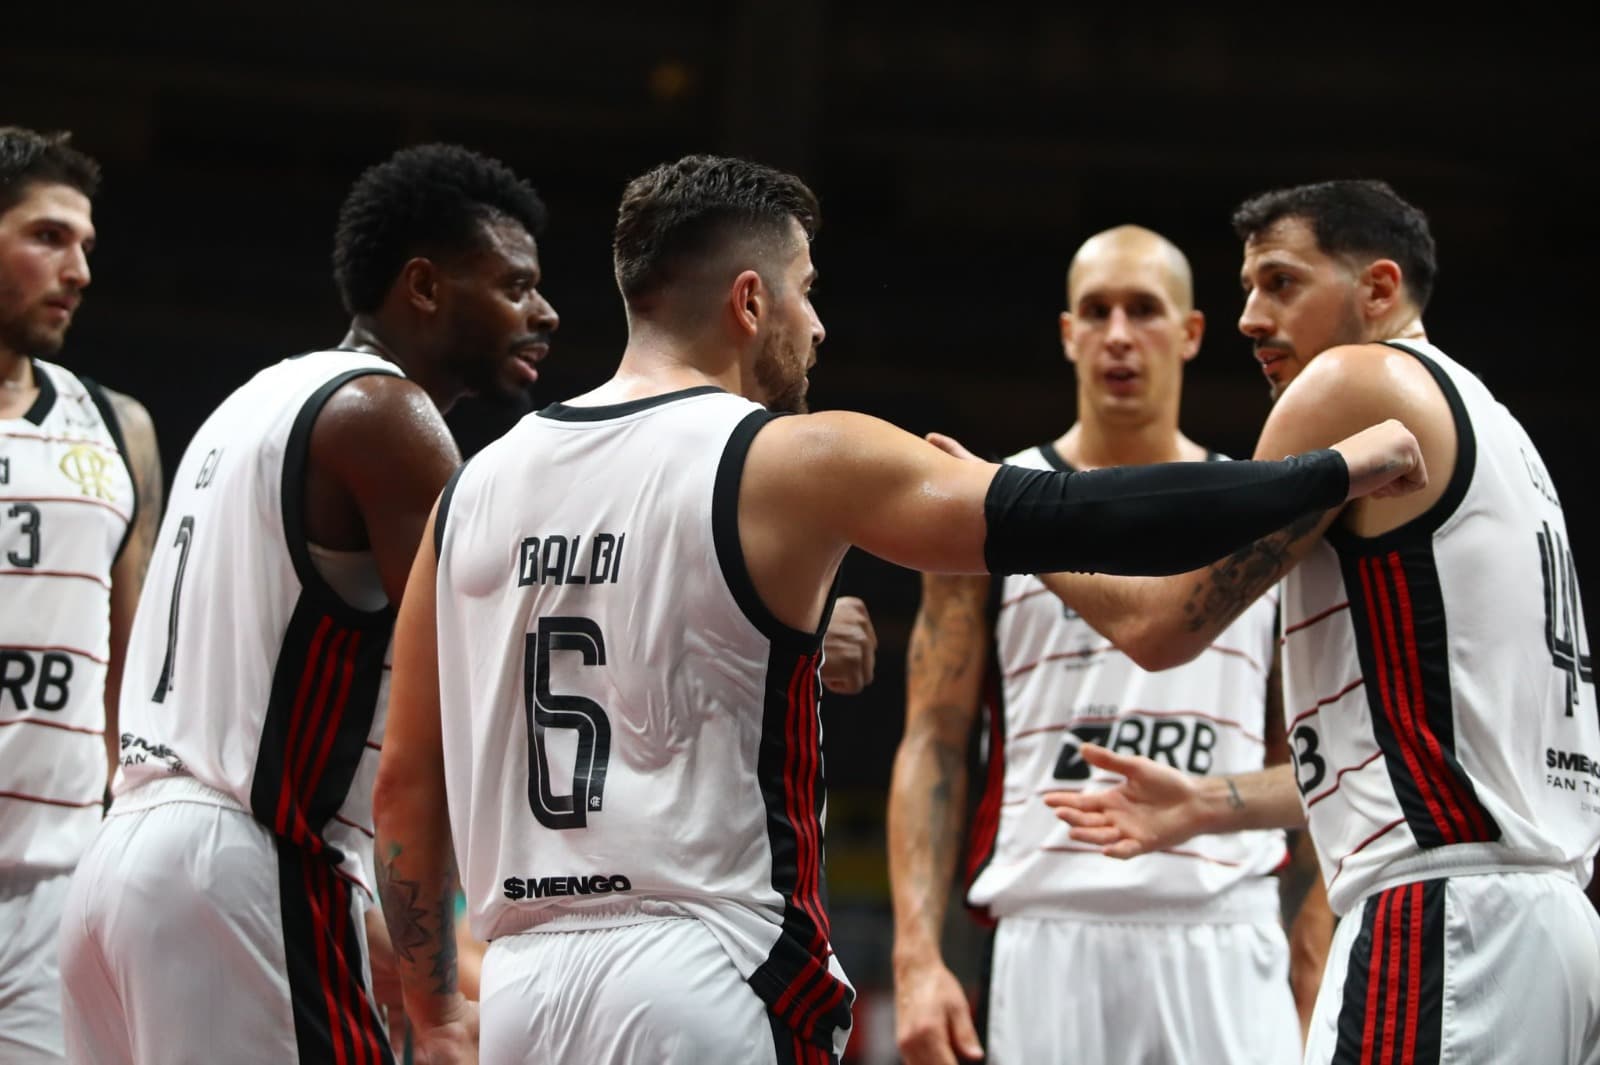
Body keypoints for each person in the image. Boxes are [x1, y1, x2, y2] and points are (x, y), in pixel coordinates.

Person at [370, 154, 1425, 1065]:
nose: (819, 322)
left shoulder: (476, 487)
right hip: (703, 971)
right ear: (750, 302)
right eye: (806, 291)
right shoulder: (784, 454)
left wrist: (435, 1008)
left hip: (523, 981)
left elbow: (407, 782)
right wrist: (1328, 469)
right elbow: (1080, 512)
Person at [1033, 180, 1600, 1063]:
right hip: (1549, 930)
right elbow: (1431, 750)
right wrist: (1207, 802)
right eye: (1248, 288)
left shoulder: (1351, 379)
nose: (1250, 318)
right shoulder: (1501, 430)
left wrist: (1003, 515)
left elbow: (1163, 622)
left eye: (1282, 283)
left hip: (1444, 923)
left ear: (1378, 288)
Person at [54, 142, 561, 1065]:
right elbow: (474, 699)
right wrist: (442, 996)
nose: (544, 311)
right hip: (241, 865)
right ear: (423, 286)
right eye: (515, 285)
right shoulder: (391, 419)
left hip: (122, 863)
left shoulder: (254, 399)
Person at [889, 224, 1329, 1065]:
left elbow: (1304, 745)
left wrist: (1314, 936)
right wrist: (916, 954)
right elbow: (934, 736)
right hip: (1051, 925)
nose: (1119, 334)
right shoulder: (987, 504)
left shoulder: (1266, 511)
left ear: (1191, 332)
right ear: (1068, 333)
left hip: (1227, 924)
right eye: (1096, 311)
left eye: (1144, 310)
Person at [0, 126, 161, 1065]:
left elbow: (137, 670)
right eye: (47, 237)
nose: (79, 270)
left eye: (86, 245)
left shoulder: (116, 427)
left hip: (57, 885)